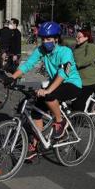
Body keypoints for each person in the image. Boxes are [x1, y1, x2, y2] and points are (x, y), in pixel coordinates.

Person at [9, 21, 82, 160]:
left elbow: (63, 73)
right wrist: (12, 77)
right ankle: (35, 146)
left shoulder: (65, 52)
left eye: (48, 39)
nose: (45, 42)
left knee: (49, 96)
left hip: (71, 84)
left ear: (56, 39)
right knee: (36, 112)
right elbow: (28, 65)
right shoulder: (41, 50)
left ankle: (60, 123)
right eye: (43, 39)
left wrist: (48, 90)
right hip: (55, 84)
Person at [72, 29, 95, 112]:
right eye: (76, 37)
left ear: (86, 37)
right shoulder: (77, 48)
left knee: (79, 101)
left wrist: (76, 65)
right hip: (81, 79)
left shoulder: (90, 46)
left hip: (92, 80)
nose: (77, 39)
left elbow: (87, 60)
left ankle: (80, 121)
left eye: (79, 37)